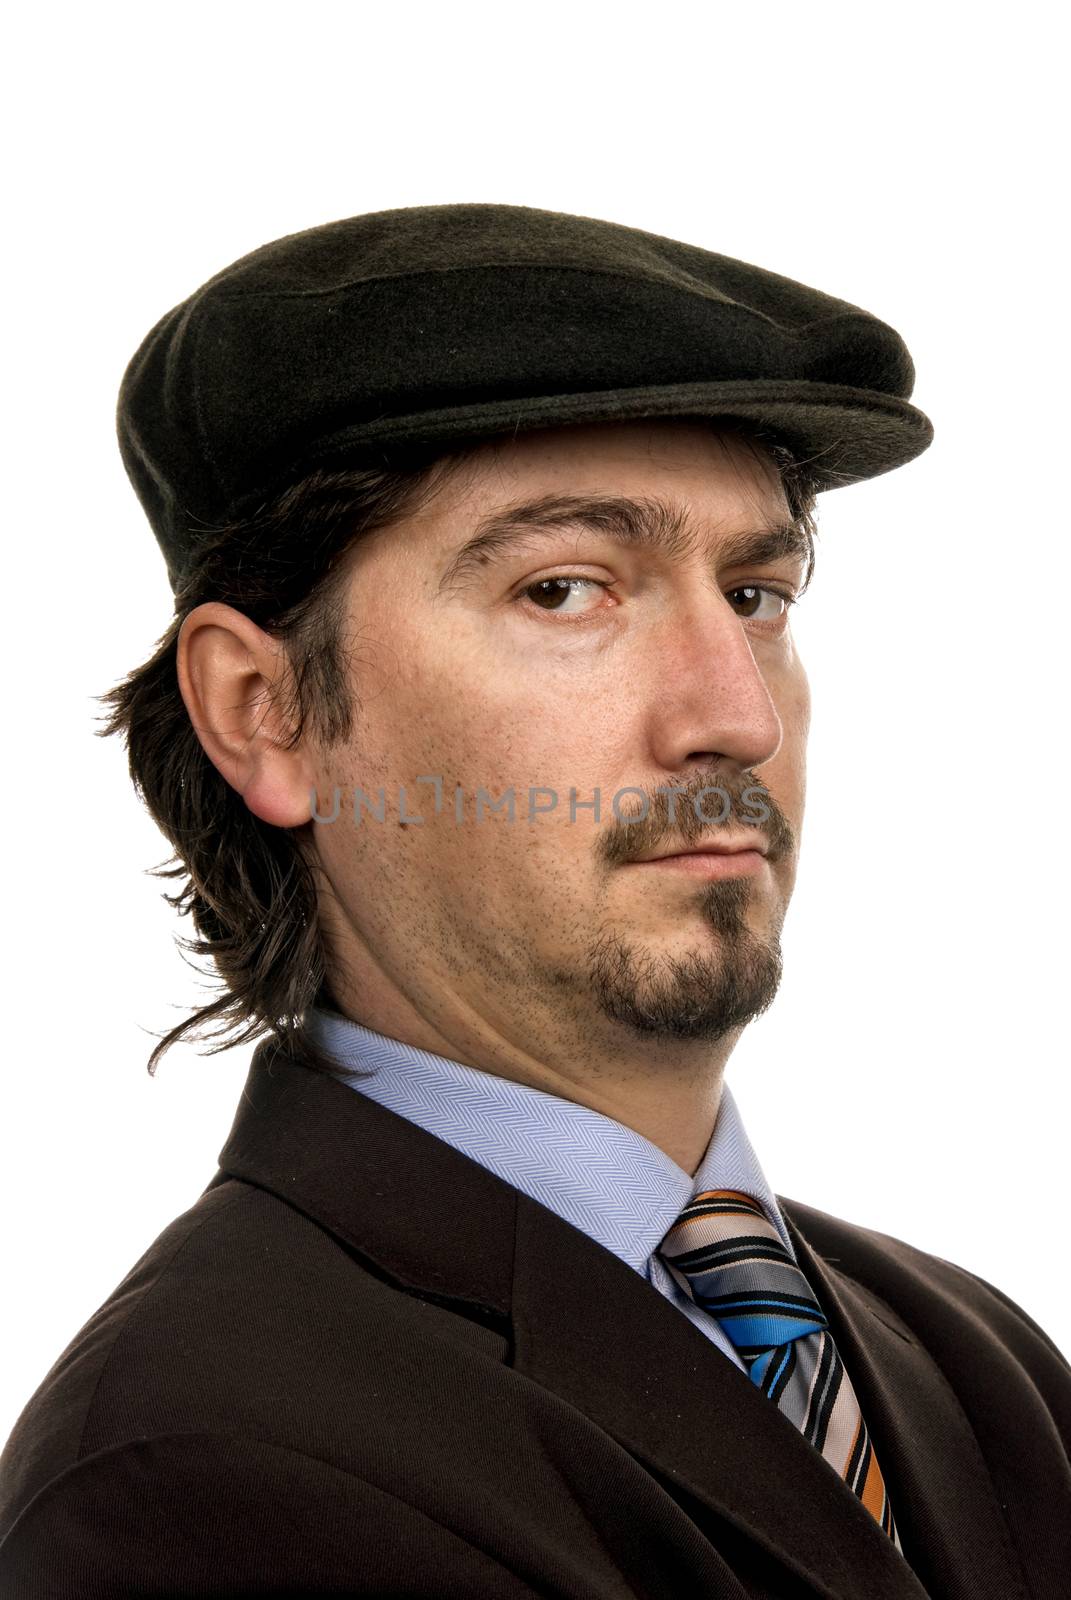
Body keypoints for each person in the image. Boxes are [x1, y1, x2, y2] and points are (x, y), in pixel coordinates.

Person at [0, 204, 1067, 1599]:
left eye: (756, 594)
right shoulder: (195, 1474)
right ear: (264, 713)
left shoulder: (976, 1362)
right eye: (566, 589)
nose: (733, 716)